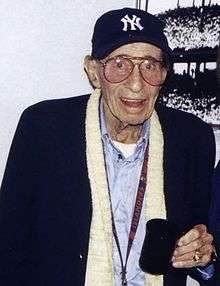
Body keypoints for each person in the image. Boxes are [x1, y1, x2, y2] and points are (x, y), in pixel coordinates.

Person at [0, 7, 216, 286]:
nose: (137, 84)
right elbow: (8, 245)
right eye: (120, 64)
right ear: (93, 71)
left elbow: (200, 250)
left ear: (164, 73)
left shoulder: (191, 138)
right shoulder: (44, 129)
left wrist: (204, 257)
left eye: (150, 65)